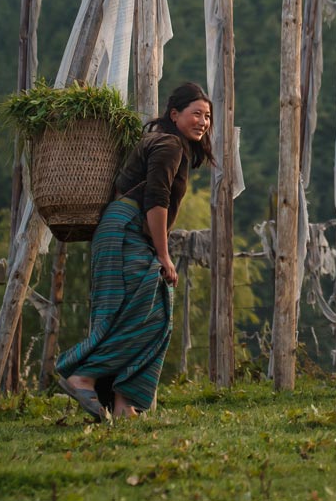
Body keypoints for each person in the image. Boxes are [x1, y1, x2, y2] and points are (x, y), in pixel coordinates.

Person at [56, 82, 213, 421]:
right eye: (196, 114)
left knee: (129, 310)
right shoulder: (170, 145)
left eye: (208, 116)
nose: (203, 121)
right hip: (128, 228)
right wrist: (164, 255)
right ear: (175, 114)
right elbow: (156, 201)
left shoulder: (164, 143)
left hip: (116, 228)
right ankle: (84, 375)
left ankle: (124, 404)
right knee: (153, 312)